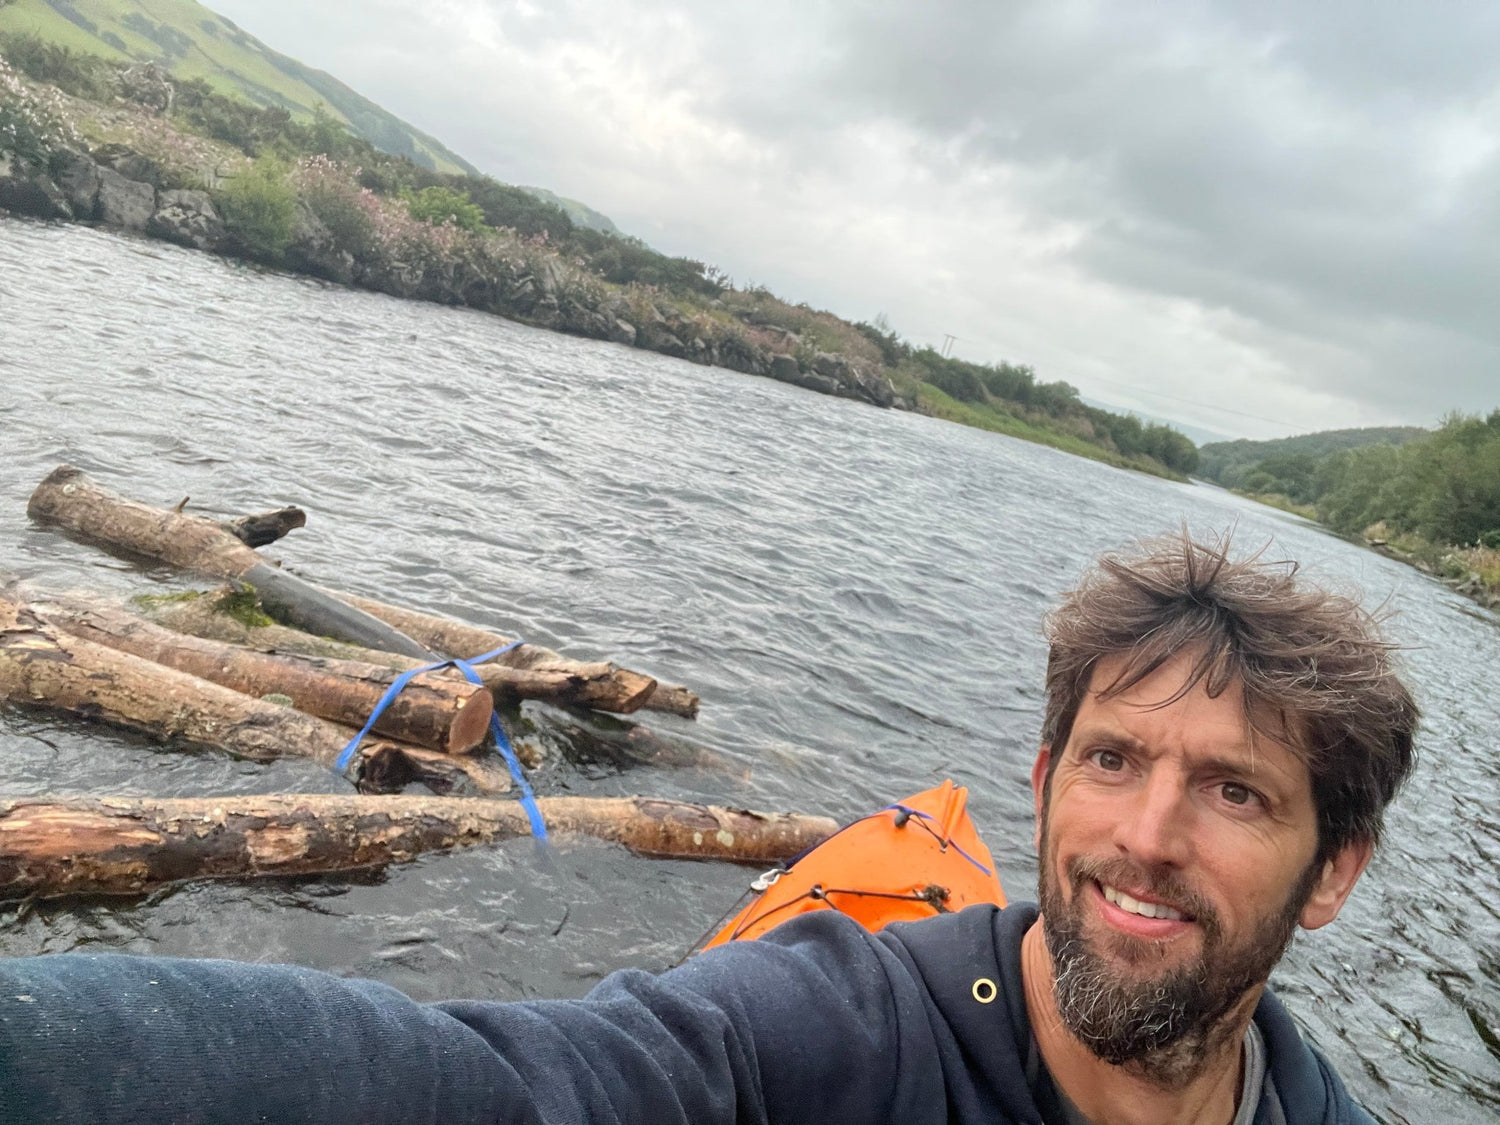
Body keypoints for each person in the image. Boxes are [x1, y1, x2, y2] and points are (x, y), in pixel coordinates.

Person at [0, 532, 1417, 1125]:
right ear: (1042, 780)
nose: (1149, 830)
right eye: (1112, 758)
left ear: (1334, 869)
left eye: (1236, 789)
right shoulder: (834, 1033)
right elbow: (506, 1087)